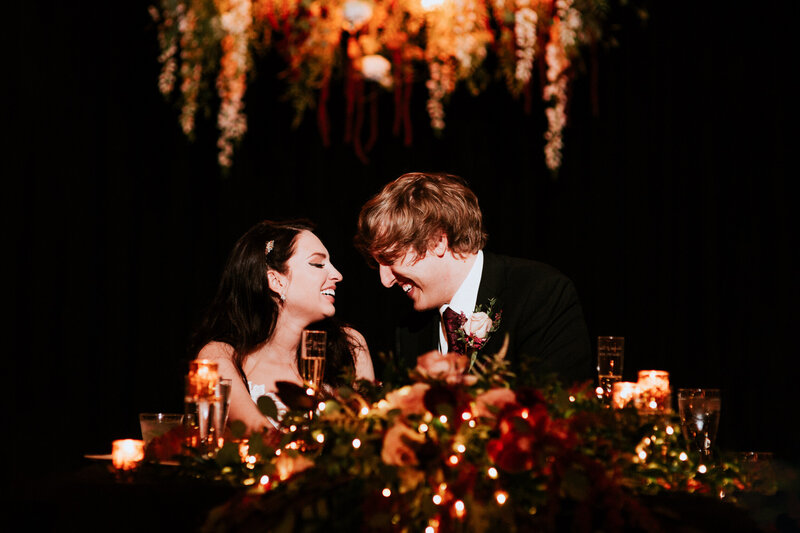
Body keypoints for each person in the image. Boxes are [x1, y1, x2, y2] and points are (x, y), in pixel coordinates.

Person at [354, 172, 592, 386]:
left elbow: (559, 406)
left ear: (437, 242)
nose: (385, 280)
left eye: (390, 258)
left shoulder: (540, 294)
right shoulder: (410, 328)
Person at [190, 219, 374, 434]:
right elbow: (264, 440)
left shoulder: (350, 345)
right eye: (318, 264)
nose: (337, 275)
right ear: (276, 281)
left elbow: (371, 436)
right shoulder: (218, 357)